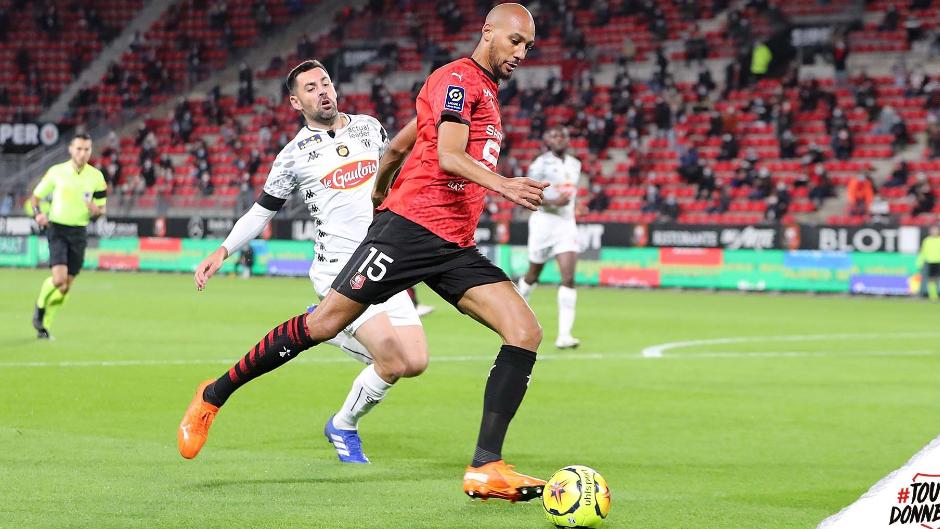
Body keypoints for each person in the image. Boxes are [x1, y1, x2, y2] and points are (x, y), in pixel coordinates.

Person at [178, 3, 548, 502]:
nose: (521, 53)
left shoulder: (470, 96)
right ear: (488, 33)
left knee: (524, 331)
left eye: (527, 45)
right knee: (323, 323)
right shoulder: (458, 80)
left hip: (452, 245)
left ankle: (487, 466)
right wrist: (504, 185)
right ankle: (212, 395)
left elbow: (397, 149)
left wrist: (378, 193)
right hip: (410, 233)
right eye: (515, 41)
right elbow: (448, 155)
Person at [186, 60, 428, 464]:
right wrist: (222, 250)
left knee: (415, 363)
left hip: (382, 262)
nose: (324, 91)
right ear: (296, 102)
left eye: (327, 82)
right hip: (340, 270)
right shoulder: (293, 155)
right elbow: (263, 210)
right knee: (392, 361)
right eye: (312, 88)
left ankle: (327, 325)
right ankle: (345, 424)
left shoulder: (370, 127)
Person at [30, 133, 107, 339]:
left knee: (65, 287)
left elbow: (102, 208)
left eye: (87, 149)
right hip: (57, 229)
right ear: (71, 149)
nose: (83, 153)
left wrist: (95, 209)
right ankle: (39, 308)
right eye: (79, 149)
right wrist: (38, 215)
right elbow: (35, 197)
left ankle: (44, 326)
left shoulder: (97, 177)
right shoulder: (57, 172)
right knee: (58, 279)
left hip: (79, 232)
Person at [516, 126, 582, 349]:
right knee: (533, 275)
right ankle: (514, 313)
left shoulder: (575, 164)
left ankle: (564, 335)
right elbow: (528, 194)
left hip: (566, 226)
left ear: (568, 139)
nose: (559, 139)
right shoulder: (540, 164)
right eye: (554, 136)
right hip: (543, 225)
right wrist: (554, 203)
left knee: (569, 277)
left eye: (563, 135)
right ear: (547, 140)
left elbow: (570, 194)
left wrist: (576, 206)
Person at [917, 226, 940, 300]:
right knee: (928, 279)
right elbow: (923, 252)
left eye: (936, 230)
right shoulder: (927, 240)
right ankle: (927, 294)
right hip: (929, 261)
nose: (934, 232)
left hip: (938, 261)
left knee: (936, 279)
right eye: (933, 230)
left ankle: (936, 293)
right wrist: (920, 262)